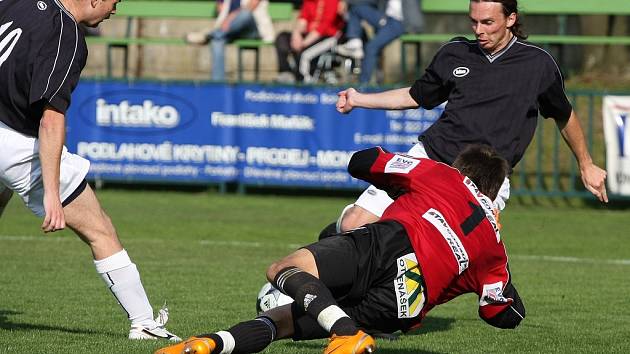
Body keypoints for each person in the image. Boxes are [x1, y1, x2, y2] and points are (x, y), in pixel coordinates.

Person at [155, 144, 525, 354]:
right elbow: (503, 314)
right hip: (408, 304)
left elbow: (362, 161)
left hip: (392, 243)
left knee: (283, 268)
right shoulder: (495, 249)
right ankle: (210, 345)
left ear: (462, 170)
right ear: (493, 193)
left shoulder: (443, 174)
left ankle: (345, 330)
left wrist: (398, 186)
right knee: (286, 322)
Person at [334, 0, 608, 233]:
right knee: (352, 224)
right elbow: (415, 96)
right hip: (432, 156)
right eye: (474, 22)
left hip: (484, 177)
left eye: (488, 23)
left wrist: (586, 164)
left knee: (444, 252)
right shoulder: (455, 53)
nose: (479, 30)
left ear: (511, 18)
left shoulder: (538, 64)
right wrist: (359, 99)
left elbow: (565, 115)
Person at [0, 0, 179, 340]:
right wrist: (52, 192)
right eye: (114, 1)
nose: (114, 10)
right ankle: (143, 323)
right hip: (15, 145)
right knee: (100, 230)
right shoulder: (66, 32)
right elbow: (51, 119)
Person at [336, 0, 424, 84]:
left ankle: (363, 84)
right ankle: (355, 41)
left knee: (371, 47)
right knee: (356, 8)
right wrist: (346, 1)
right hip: (384, 18)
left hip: (400, 23)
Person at [186, 0, 275, 81]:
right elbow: (220, 10)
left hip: (252, 31)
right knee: (217, 41)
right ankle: (218, 85)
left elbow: (251, 6)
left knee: (245, 14)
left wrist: (230, 18)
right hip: (230, 31)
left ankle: (209, 35)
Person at [274, 0, 345, 83]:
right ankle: (286, 72)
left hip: (326, 37)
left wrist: (304, 43)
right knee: (282, 38)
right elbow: (302, 20)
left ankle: (302, 79)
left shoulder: (332, 1)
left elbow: (323, 27)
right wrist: (296, 34)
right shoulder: (309, 1)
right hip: (308, 34)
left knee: (304, 53)